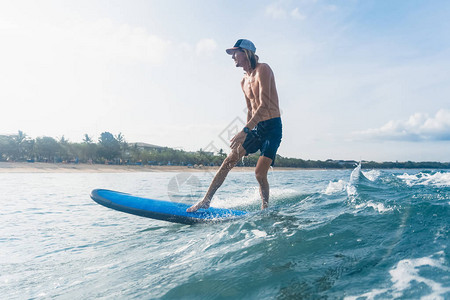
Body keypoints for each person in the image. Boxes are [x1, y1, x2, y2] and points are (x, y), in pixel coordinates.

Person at [187, 39, 282, 212]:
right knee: (228, 160)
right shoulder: (243, 81)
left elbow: (265, 105)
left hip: (272, 128)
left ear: (245, 53)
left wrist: (245, 129)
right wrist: (247, 132)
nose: (232, 57)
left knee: (260, 173)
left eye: (234, 53)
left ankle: (265, 209)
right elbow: (250, 109)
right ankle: (206, 201)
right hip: (256, 128)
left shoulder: (263, 69)